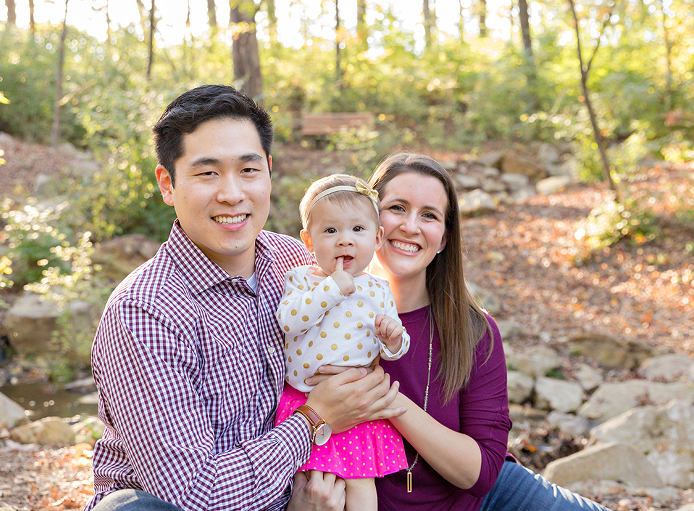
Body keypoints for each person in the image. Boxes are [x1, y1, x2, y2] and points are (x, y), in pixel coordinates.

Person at [83, 85, 405, 511]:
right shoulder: (145, 312)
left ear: (268, 171)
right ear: (167, 183)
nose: (232, 194)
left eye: (248, 170)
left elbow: (366, 310)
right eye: (207, 173)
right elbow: (195, 493)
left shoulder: (294, 262)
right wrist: (314, 419)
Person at [305, 153, 611, 511]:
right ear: (371, 220)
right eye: (397, 208)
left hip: (483, 501)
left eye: (429, 215)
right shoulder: (318, 307)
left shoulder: (473, 330)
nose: (411, 226)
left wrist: (386, 398)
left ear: (445, 237)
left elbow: (480, 476)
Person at [274, 174, 410, 511]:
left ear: (377, 238)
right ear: (308, 241)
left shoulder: (378, 290)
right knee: (304, 482)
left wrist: (393, 339)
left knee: (361, 485)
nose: (344, 241)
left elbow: (392, 347)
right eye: (331, 231)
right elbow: (289, 320)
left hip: (356, 404)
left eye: (357, 230)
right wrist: (333, 287)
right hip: (304, 402)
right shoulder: (302, 280)